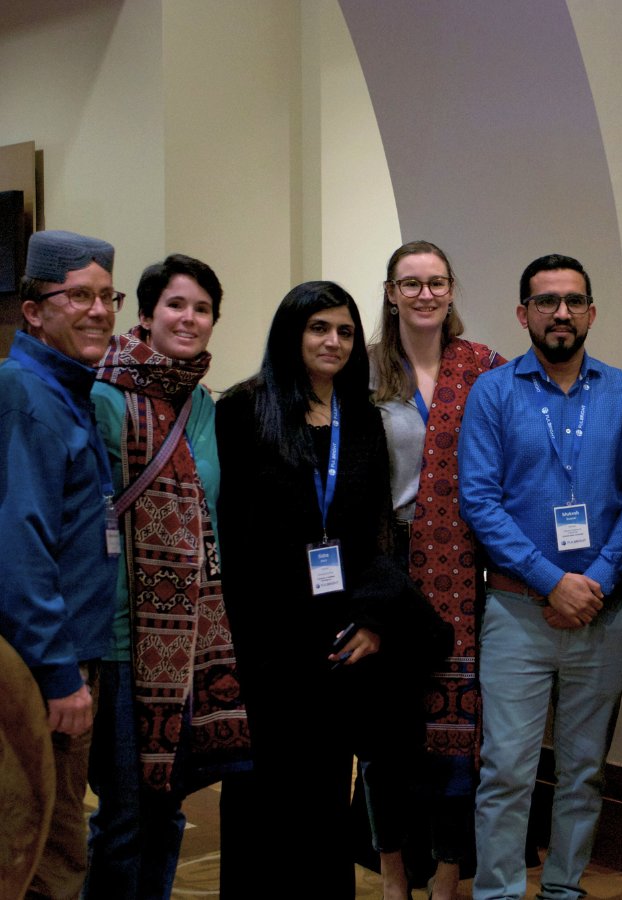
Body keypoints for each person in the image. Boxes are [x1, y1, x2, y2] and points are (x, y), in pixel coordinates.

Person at [216, 282, 432, 899]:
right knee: (260, 791)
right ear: (292, 333)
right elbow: (232, 533)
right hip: (265, 639)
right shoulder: (243, 410)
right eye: (318, 328)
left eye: (343, 330)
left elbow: (374, 535)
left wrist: (372, 621)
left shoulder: (362, 418)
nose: (332, 341)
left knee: (326, 794)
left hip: (340, 638)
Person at [459, 253, 622, 900]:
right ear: (523, 313)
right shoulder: (494, 392)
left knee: (584, 770)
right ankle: (500, 892)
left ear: (591, 312)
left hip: (601, 610)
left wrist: (592, 579)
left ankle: (564, 888)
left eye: (572, 300)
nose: (560, 312)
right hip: (515, 613)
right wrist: (549, 580)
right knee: (507, 769)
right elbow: (479, 501)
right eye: (545, 301)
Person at [85, 254, 251, 898]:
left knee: (169, 810)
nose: (189, 318)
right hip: (123, 637)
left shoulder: (203, 404)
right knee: (124, 815)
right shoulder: (101, 394)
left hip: (190, 642)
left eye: (202, 309)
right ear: (147, 314)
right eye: (176, 305)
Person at [370, 240, 503, 897]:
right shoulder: (364, 373)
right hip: (385, 562)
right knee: (389, 734)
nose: (425, 294)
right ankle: (395, 874)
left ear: (451, 291)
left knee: (458, 730)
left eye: (436, 282)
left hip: (461, 566)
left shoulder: (483, 368)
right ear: (391, 292)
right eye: (411, 283)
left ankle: (449, 873)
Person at [0, 229, 120, 899]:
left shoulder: (67, 391)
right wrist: (58, 671)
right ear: (34, 309)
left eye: (106, 295)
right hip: (39, 672)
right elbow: (21, 548)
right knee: (44, 854)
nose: (99, 310)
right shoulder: (26, 394)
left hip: (65, 662)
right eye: (79, 295)